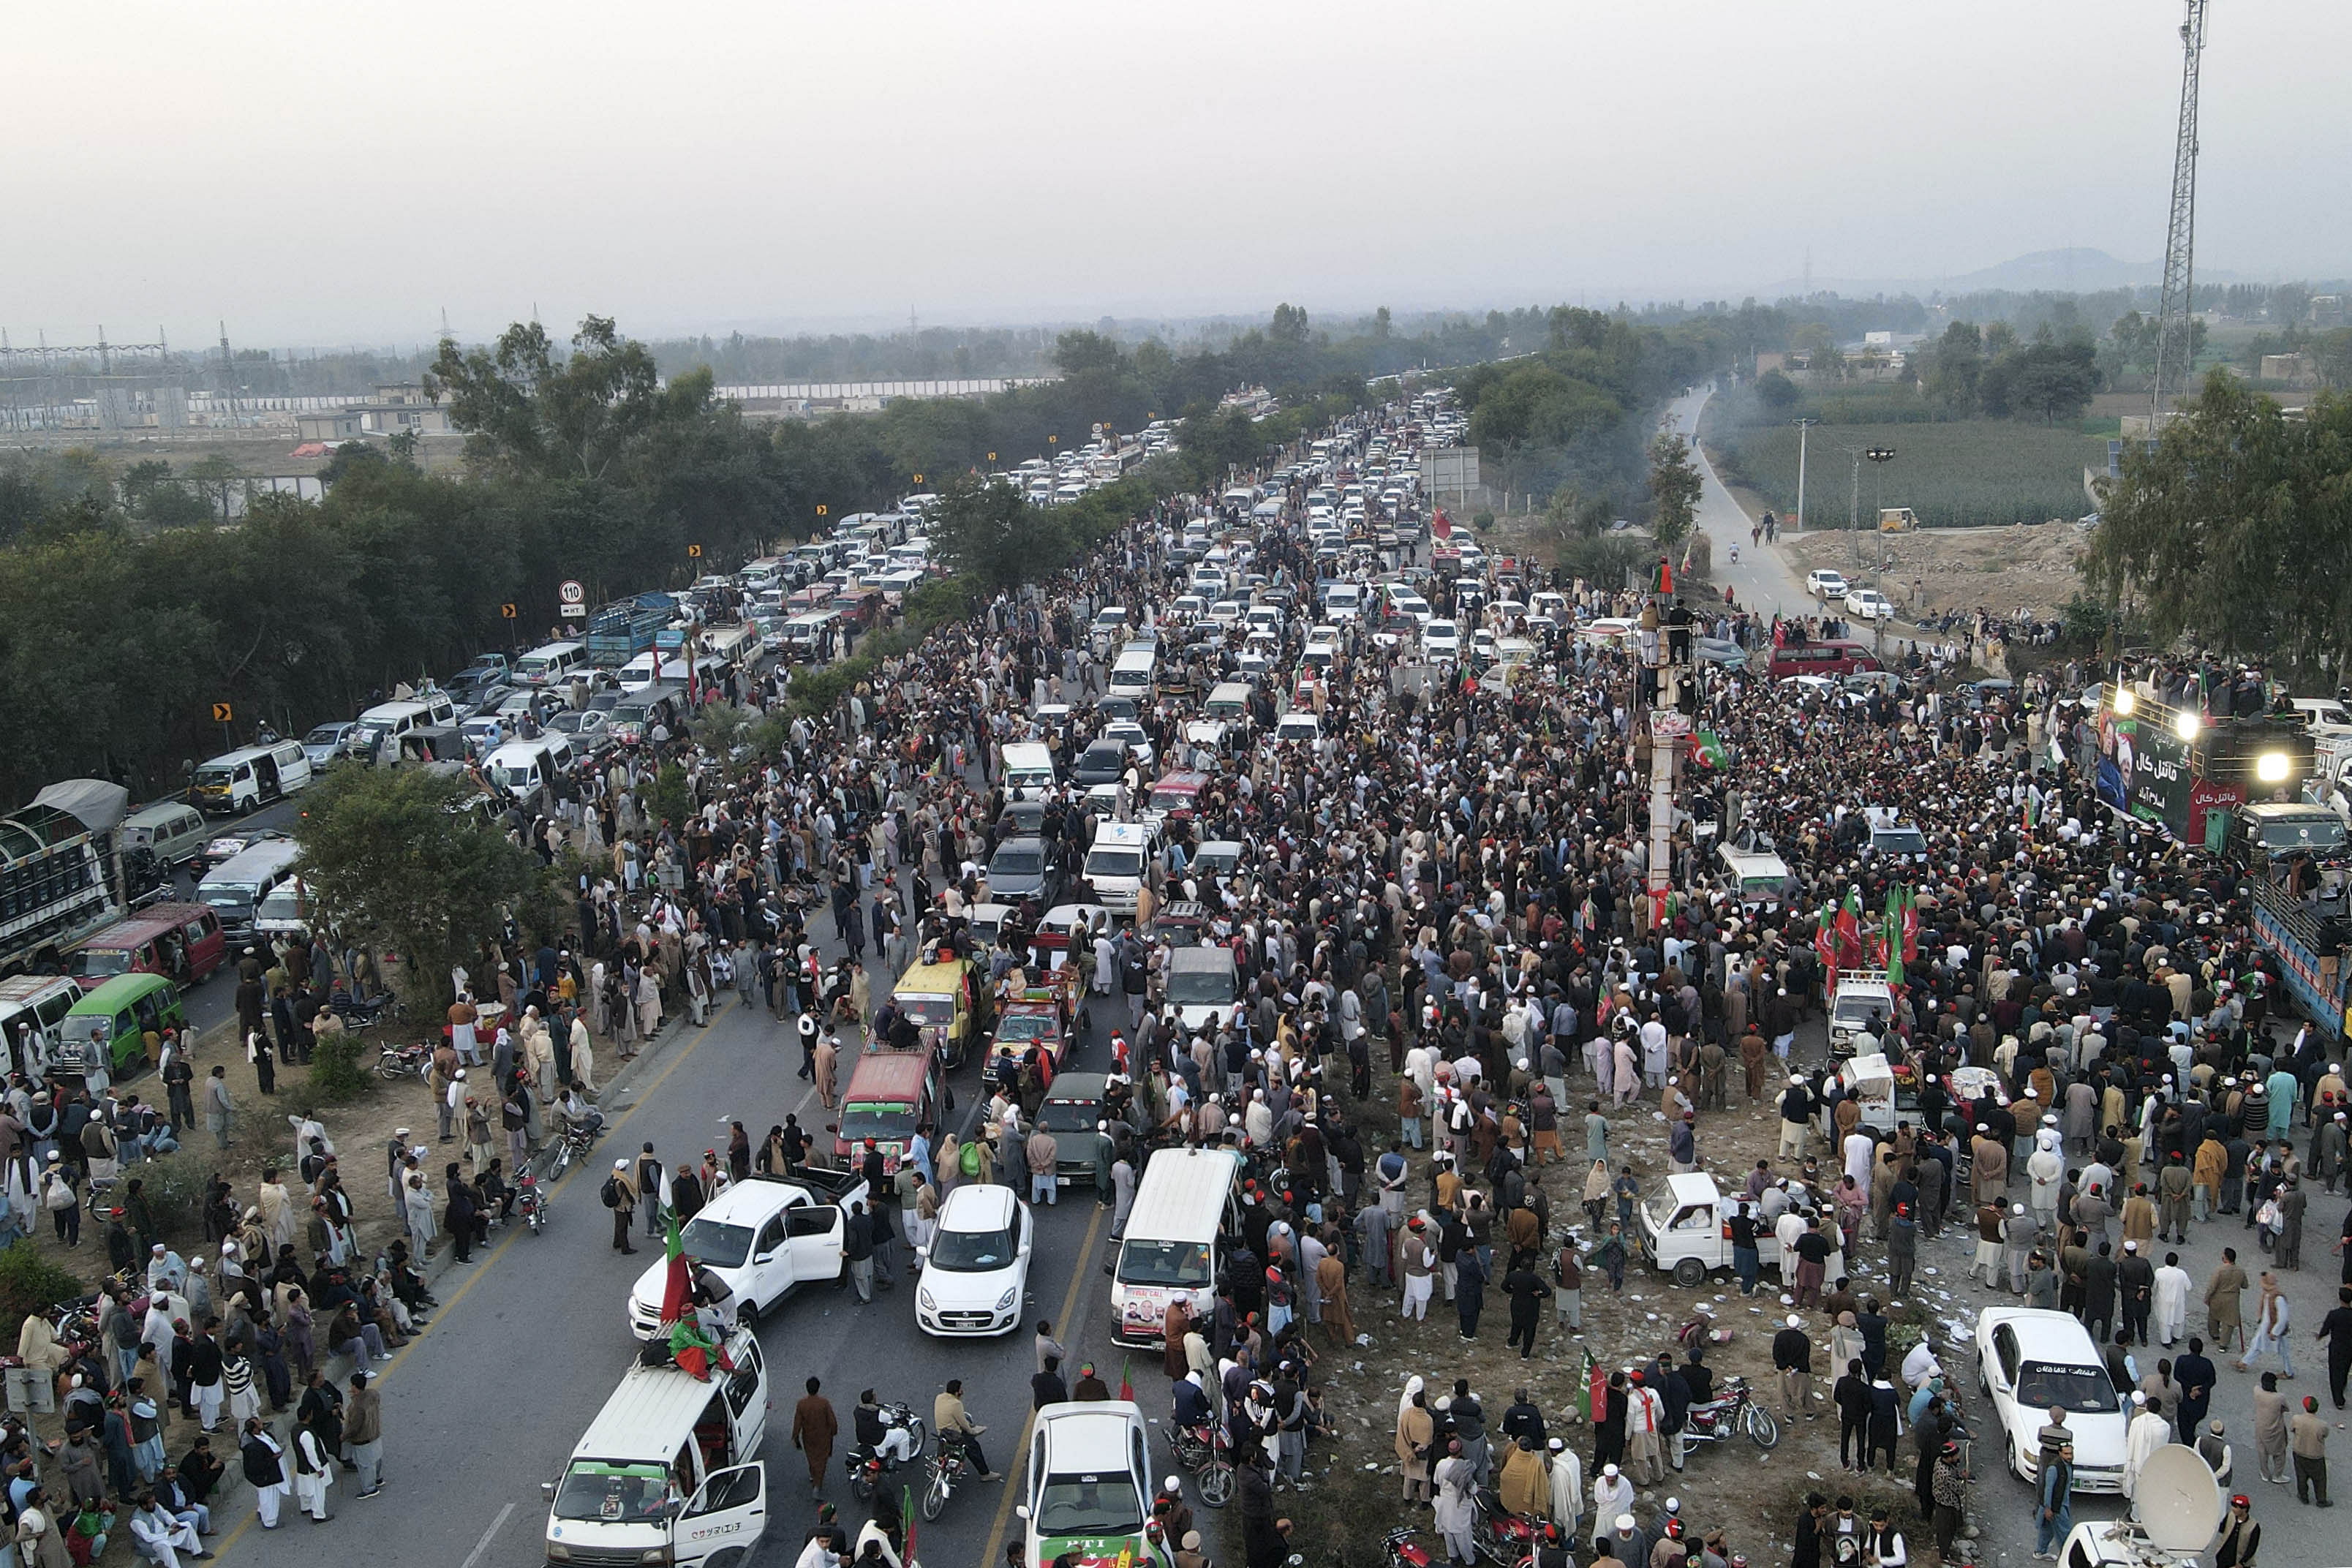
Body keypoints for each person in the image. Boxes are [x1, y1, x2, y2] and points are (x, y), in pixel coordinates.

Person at [933, 1379, 999, 1482]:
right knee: (974, 1447)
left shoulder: (939, 1398)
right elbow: (964, 1424)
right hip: (954, 1436)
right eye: (960, 1390)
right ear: (957, 1392)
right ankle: (985, 1473)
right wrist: (972, 1431)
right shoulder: (956, 1404)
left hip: (942, 1433)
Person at [238, 1418, 289, 1529]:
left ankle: (262, 1512)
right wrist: (273, 1458)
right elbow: (258, 1465)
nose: (262, 1424)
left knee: (266, 1497)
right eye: (259, 1424)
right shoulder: (252, 1447)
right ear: (254, 1430)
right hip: (264, 1477)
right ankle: (269, 1522)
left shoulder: (260, 1434)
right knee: (268, 1497)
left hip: (268, 1472)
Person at [793, 1377, 838, 1498]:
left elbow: (797, 1423)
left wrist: (796, 1438)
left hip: (809, 1437)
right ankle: (817, 1485)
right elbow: (832, 1421)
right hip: (823, 1437)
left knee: (812, 1458)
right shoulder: (824, 1403)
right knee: (822, 1461)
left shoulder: (802, 1404)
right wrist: (833, 1432)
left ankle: (814, 1476)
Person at [346, 1371, 383, 1499]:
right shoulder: (373, 1394)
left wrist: (344, 1436)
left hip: (363, 1439)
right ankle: (378, 1478)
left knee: (365, 1465)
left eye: (352, 1385)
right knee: (377, 1458)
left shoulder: (357, 1407)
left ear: (355, 1387)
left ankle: (369, 1489)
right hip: (375, 1432)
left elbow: (354, 1427)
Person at [2034, 1439, 2073, 1559]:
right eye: (2066, 1454)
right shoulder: (2054, 1468)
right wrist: (2048, 1508)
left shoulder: (2067, 1466)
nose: (2069, 1456)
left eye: (2071, 1453)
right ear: (2060, 1453)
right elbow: (2048, 1489)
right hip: (2057, 1506)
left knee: (2048, 1530)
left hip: (2061, 1503)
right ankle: (2067, 1557)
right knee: (2066, 1533)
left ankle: (2040, 1552)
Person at [2291, 1395, 2332, 1507]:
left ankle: (2303, 1496)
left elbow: (2293, 1429)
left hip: (2299, 1451)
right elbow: (2325, 1435)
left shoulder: (2296, 1419)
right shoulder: (2322, 1425)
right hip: (2315, 1455)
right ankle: (2321, 1500)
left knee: (2301, 1475)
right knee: (2320, 1479)